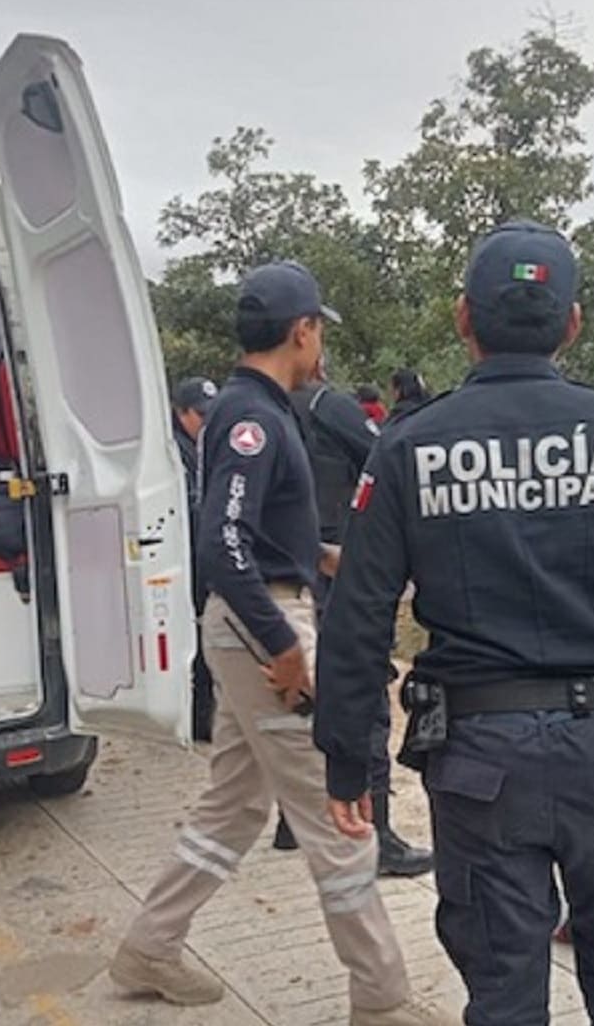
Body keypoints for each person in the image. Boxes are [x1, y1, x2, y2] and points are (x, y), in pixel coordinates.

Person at [315, 220, 594, 1026]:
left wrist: (349, 760)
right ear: (575, 323)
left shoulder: (411, 444)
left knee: (504, 995)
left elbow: (357, 616)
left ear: (461, 318)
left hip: (481, 769)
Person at [111, 262, 452, 1026]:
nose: (321, 340)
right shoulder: (254, 419)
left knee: (232, 808)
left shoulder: (255, 410)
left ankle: (149, 948)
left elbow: (256, 535)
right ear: (303, 331)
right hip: (263, 627)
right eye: (320, 327)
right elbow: (220, 541)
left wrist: (328, 560)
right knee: (338, 809)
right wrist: (281, 645)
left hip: (258, 616)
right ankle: (383, 999)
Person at [291, 357, 433, 877]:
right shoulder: (332, 407)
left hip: (279, 581)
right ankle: (379, 841)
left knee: (300, 700)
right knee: (364, 695)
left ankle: (294, 821)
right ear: (302, 336)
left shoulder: (254, 413)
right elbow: (386, 460)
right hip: (339, 567)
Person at [172, 376, 220, 742]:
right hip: (182, 556)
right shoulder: (172, 450)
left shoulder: (209, 443)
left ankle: (204, 713)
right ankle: (198, 715)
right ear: (181, 412)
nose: (206, 421)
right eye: (200, 415)